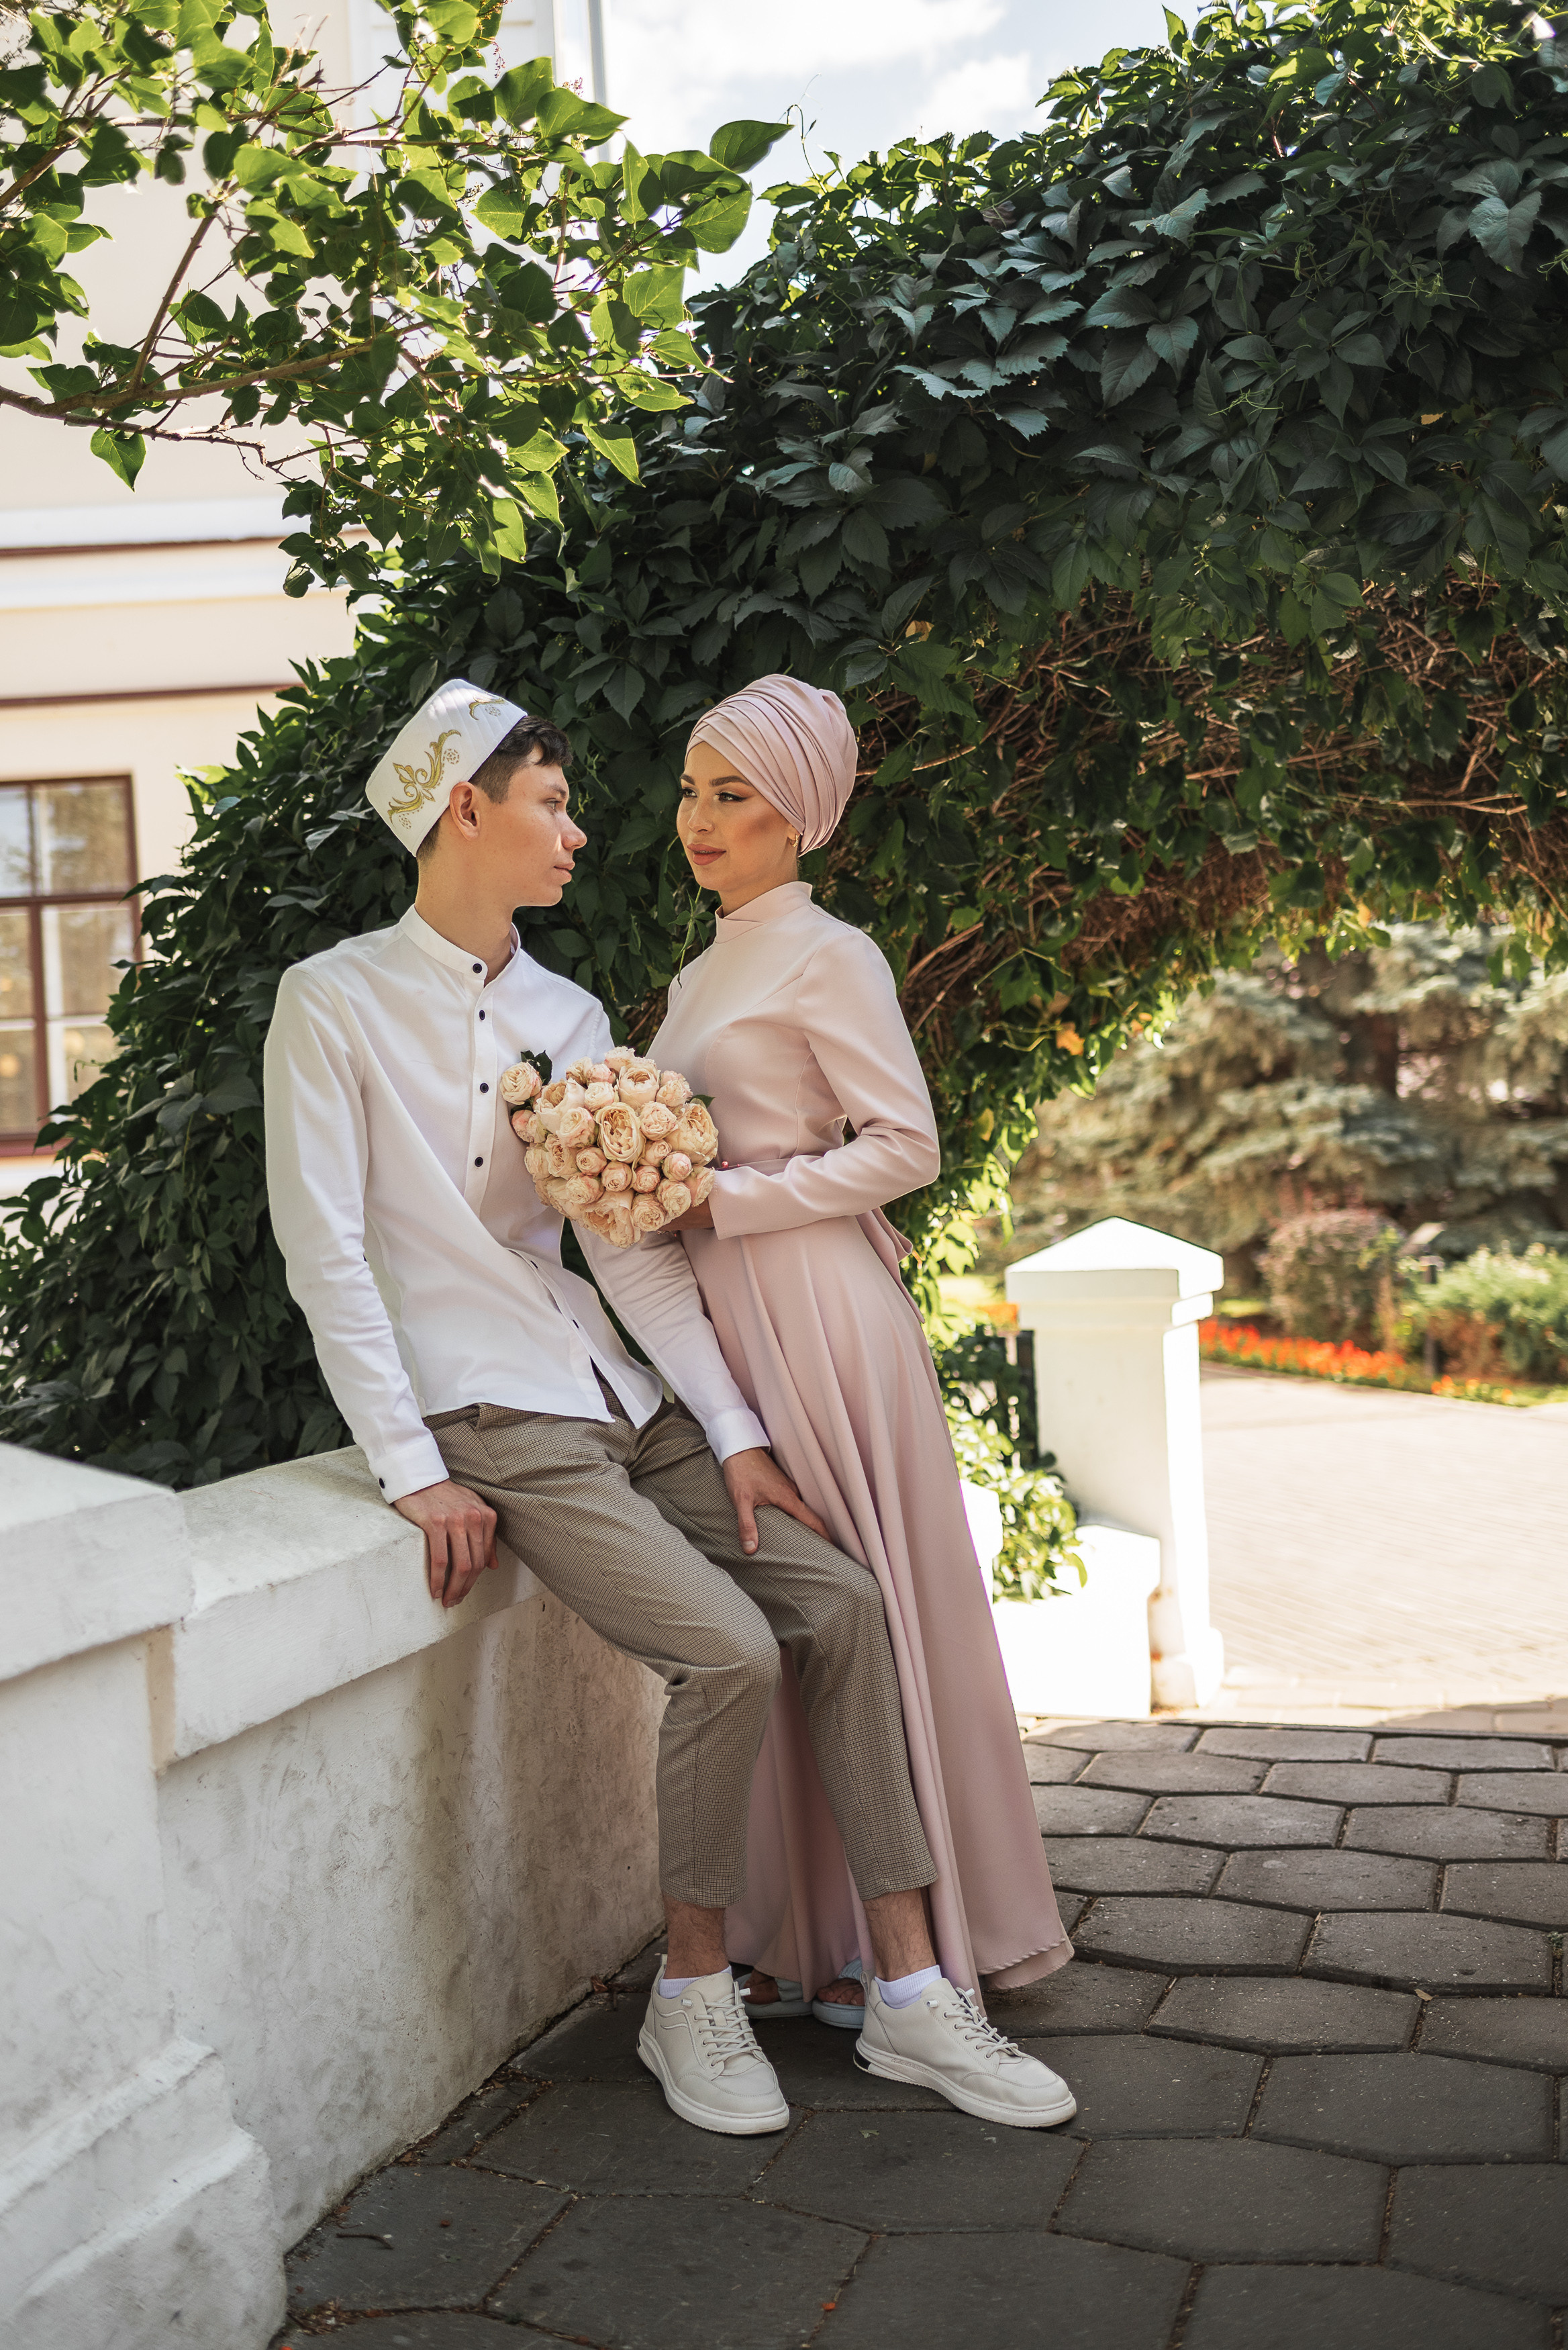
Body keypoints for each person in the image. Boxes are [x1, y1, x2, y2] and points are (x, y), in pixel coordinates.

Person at [262, 676, 1076, 2138]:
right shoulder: (332, 1002)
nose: (582, 832)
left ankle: (908, 1991)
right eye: (553, 804)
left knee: (841, 1606)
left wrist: (736, 1435)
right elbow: (326, 1256)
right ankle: (690, 1992)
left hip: (619, 1393)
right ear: (467, 809)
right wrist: (408, 1465)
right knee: (726, 1652)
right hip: (493, 1415)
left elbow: (630, 1247)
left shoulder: (568, 1014)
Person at [650, 673, 1073, 2031]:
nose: (698, 818)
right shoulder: (701, 971)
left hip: (822, 1316)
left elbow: (906, 1146)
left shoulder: (834, 954)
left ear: (796, 815)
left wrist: (730, 1200)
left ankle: (918, 1938)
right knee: (796, 1614)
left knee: (865, 1610)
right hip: (733, 1324)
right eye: (691, 790)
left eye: (731, 794)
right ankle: (814, 1935)